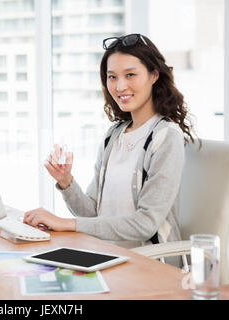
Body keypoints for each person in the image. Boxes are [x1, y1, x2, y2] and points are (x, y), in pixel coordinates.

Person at [23, 33, 198, 250]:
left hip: (149, 262)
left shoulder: (166, 136)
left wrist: (65, 224)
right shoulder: (113, 135)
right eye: (112, 77)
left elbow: (146, 224)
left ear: (154, 75)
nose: (120, 86)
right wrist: (66, 182)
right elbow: (93, 215)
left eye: (130, 74)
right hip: (107, 255)